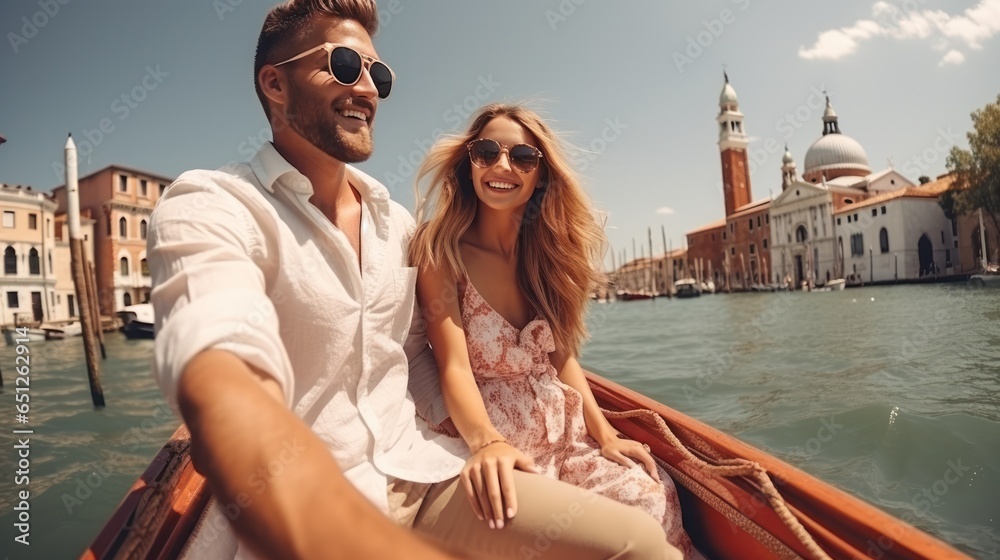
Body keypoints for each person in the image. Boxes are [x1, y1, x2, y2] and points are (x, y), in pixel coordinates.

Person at [149, 1, 676, 559]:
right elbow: (223, 375)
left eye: (377, 75)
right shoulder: (214, 204)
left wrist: (486, 440)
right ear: (275, 84)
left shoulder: (395, 224)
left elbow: (417, 356)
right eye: (346, 66)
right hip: (312, 501)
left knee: (640, 544)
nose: (368, 90)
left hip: (426, 470)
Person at [407, 103, 693, 557]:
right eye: (486, 152)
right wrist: (487, 444)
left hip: (568, 432)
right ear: (468, 163)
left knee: (653, 497)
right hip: (502, 443)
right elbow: (455, 369)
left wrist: (605, 435)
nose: (503, 166)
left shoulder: (545, 256)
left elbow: (561, 357)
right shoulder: (441, 248)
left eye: (522, 157)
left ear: (540, 174)